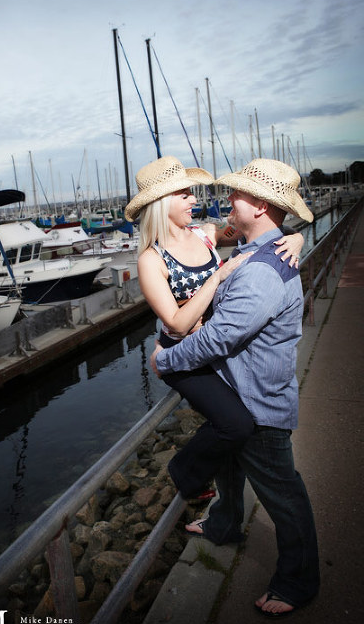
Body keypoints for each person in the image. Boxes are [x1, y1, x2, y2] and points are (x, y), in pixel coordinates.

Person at [150, 158, 319, 617]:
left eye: (237, 195)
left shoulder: (263, 269)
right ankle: (224, 523)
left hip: (258, 405)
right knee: (230, 469)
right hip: (239, 393)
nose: (228, 201)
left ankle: (298, 582)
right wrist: (293, 235)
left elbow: (220, 335)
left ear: (260, 205)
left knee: (284, 496)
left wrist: (167, 361)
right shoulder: (261, 250)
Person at [125, 155, 304, 501]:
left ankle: (223, 514)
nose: (195, 199)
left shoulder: (205, 233)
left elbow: (263, 228)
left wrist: (293, 239)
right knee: (237, 425)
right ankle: (186, 475)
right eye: (185, 194)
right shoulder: (151, 259)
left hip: (210, 343)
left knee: (233, 428)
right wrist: (217, 277)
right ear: (162, 204)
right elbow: (176, 324)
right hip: (179, 350)